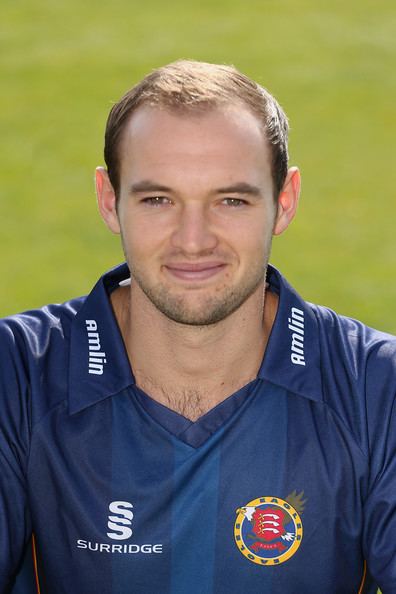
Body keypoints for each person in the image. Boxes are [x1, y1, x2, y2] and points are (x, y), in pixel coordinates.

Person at [0, 60, 395, 594]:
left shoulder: (378, 390)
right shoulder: (16, 374)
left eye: (230, 200)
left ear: (285, 201)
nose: (192, 240)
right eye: (158, 199)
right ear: (109, 200)